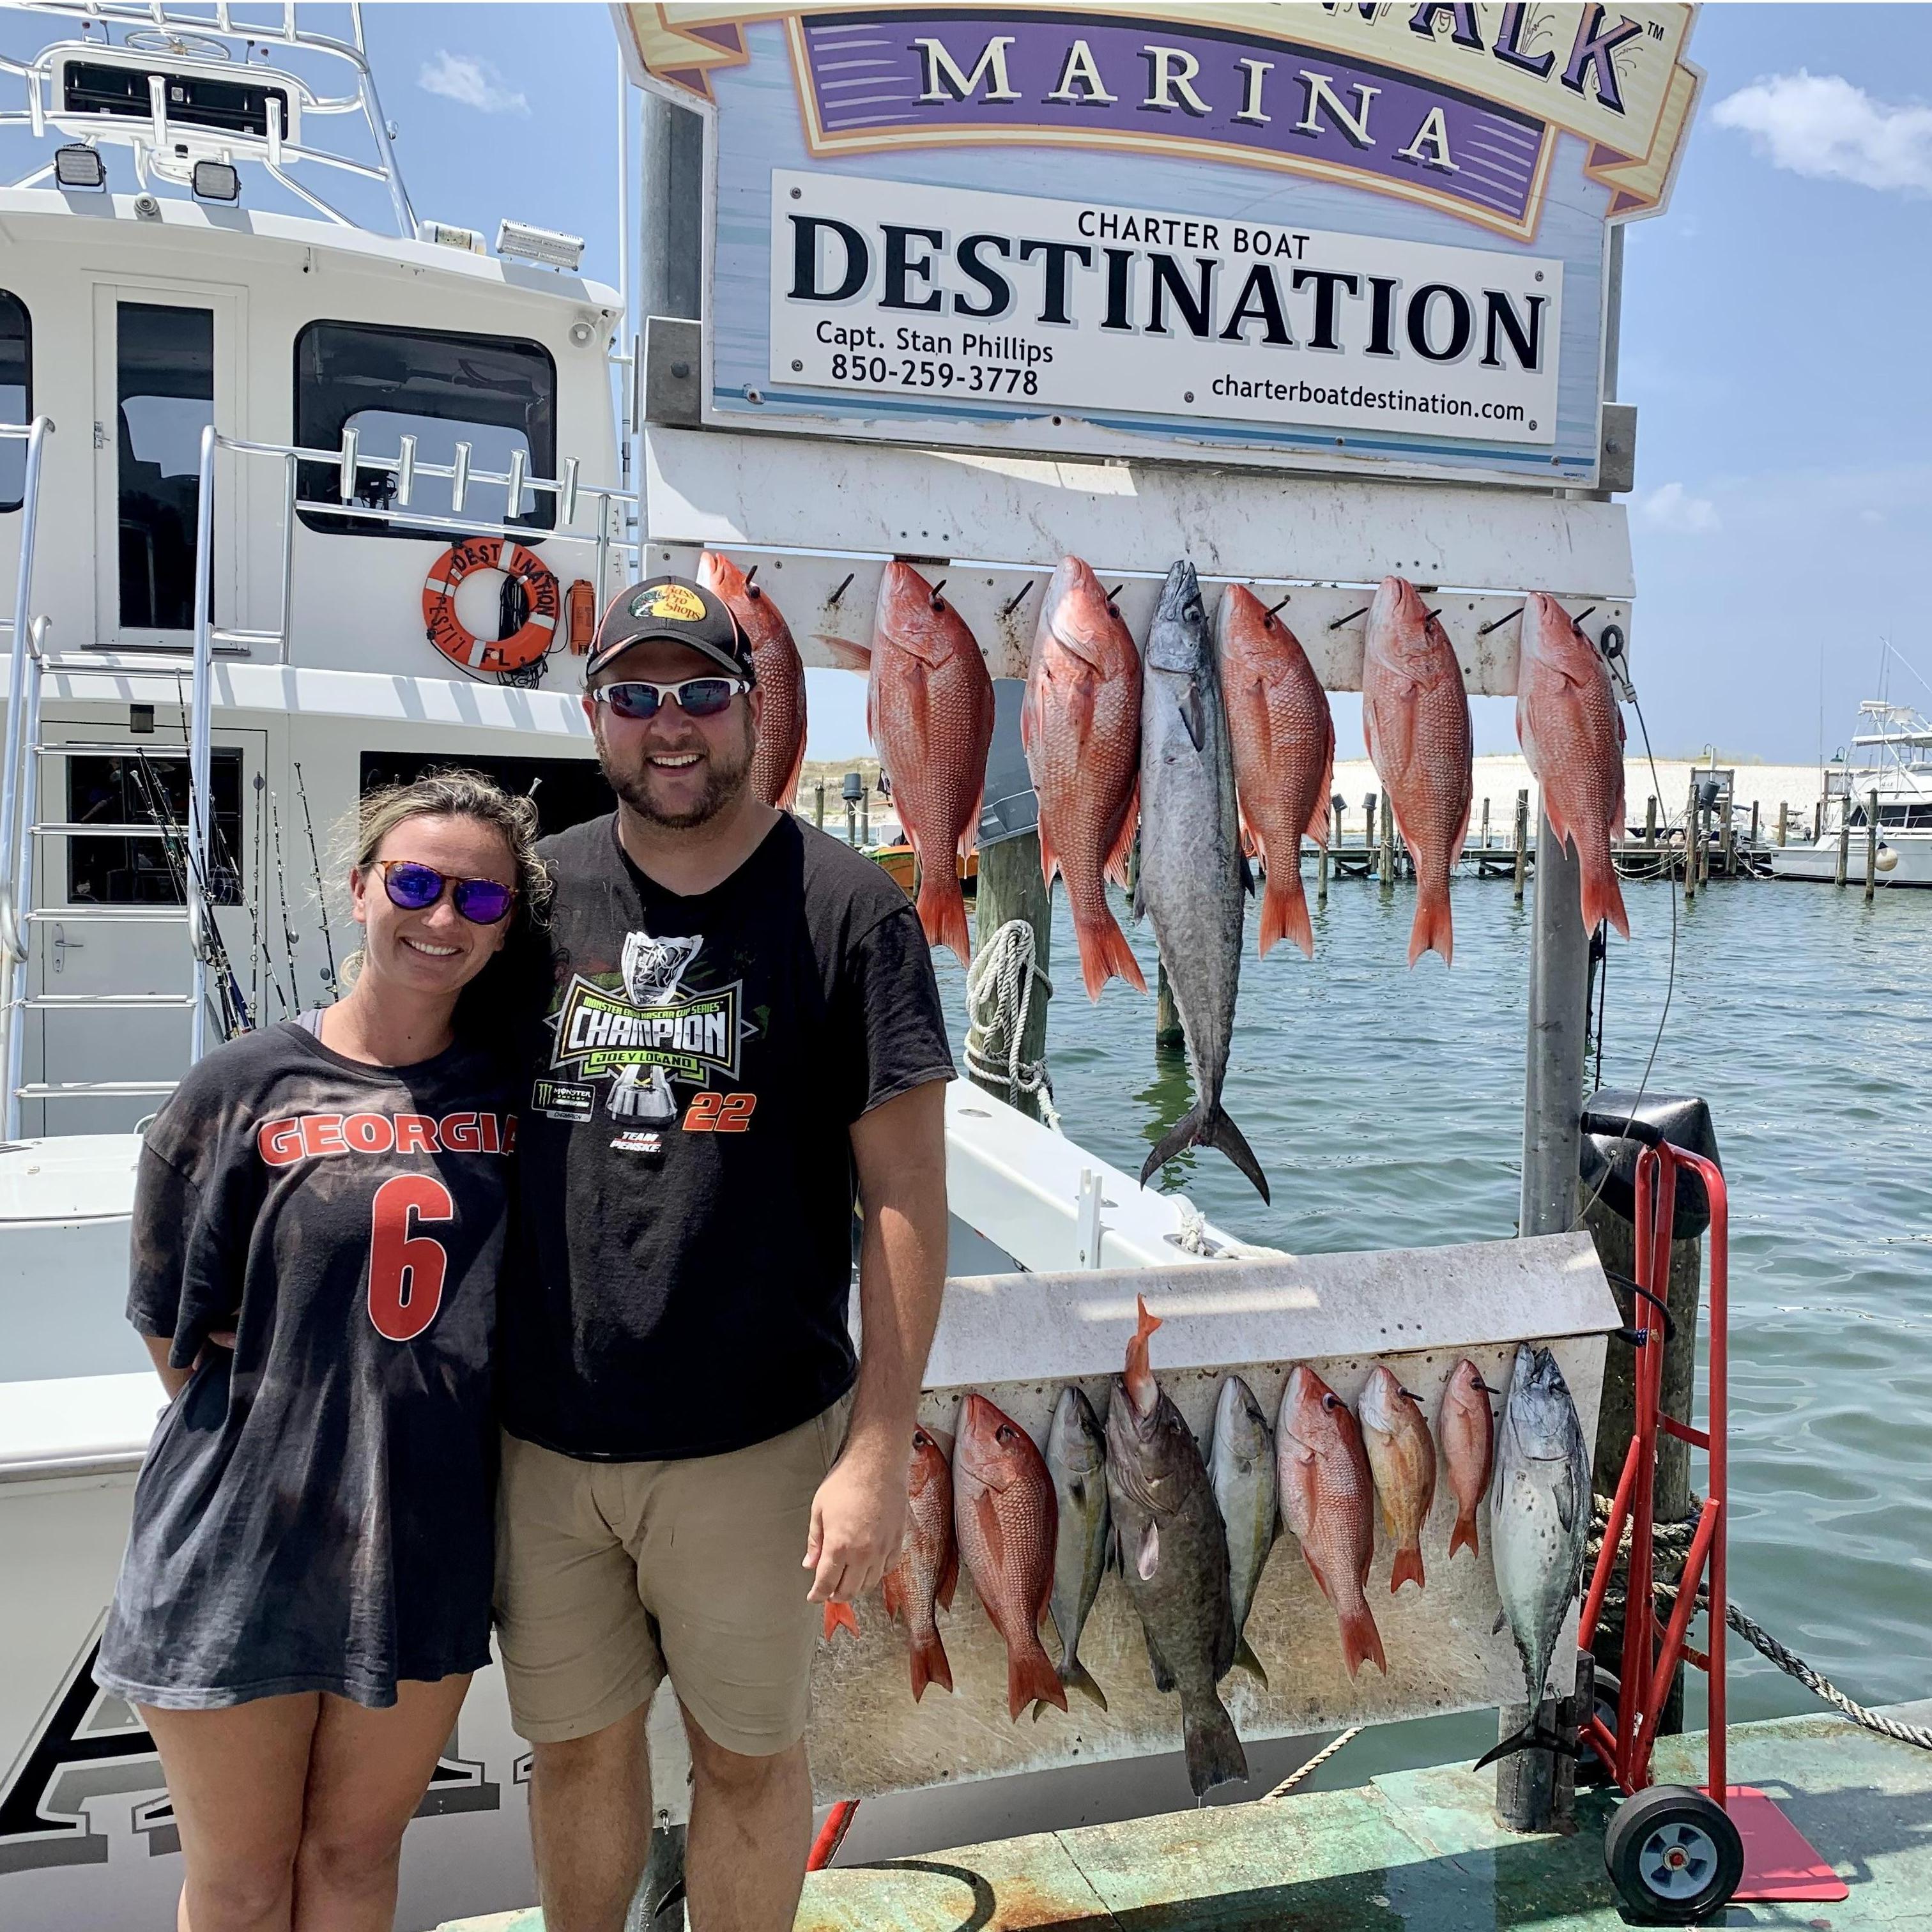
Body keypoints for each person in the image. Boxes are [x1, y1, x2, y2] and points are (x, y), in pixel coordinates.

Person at [497, 576, 954, 1932]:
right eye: (635, 698)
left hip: (756, 1445)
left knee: (748, 1762)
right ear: (595, 721)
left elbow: (908, 1203)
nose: (671, 726)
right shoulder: (538, 895)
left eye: (700, 692)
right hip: (545, 1441)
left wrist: (878, 1449)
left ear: (755, 710)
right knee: (575, 1751)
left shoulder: (850, 908)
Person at [95, 770, 549, 1932]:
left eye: (482, 902)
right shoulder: (240, 1085)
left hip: (425, 1539)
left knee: (354, 1860)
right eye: (415, 883)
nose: (444, 918)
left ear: (508, 929)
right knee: (242, 1887)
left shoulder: (519, 1091)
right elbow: (169, 1324)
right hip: (240, 1542)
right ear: (361, 892)